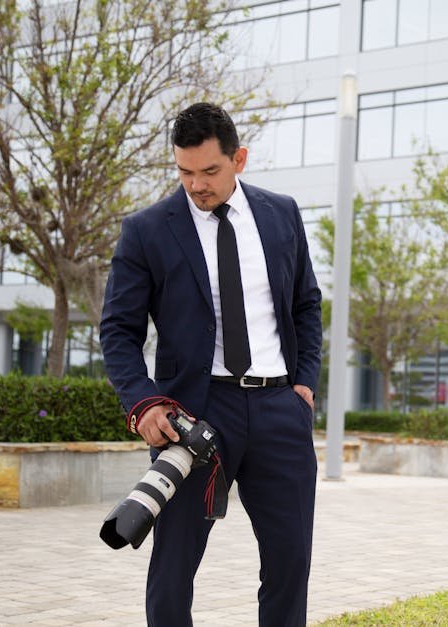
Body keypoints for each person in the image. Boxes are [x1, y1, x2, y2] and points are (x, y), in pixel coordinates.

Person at [100, 102, 322, 626]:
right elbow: (118, 330)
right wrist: (142, 401)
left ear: (238, 159)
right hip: (194, 416)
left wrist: (304, 385)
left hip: (278, 409)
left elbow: (306, 304)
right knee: (174, 567)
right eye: (184, 171)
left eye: (209, 171)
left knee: (290, 562)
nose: (195, 184)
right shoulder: (147, 230)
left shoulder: (281, 214)